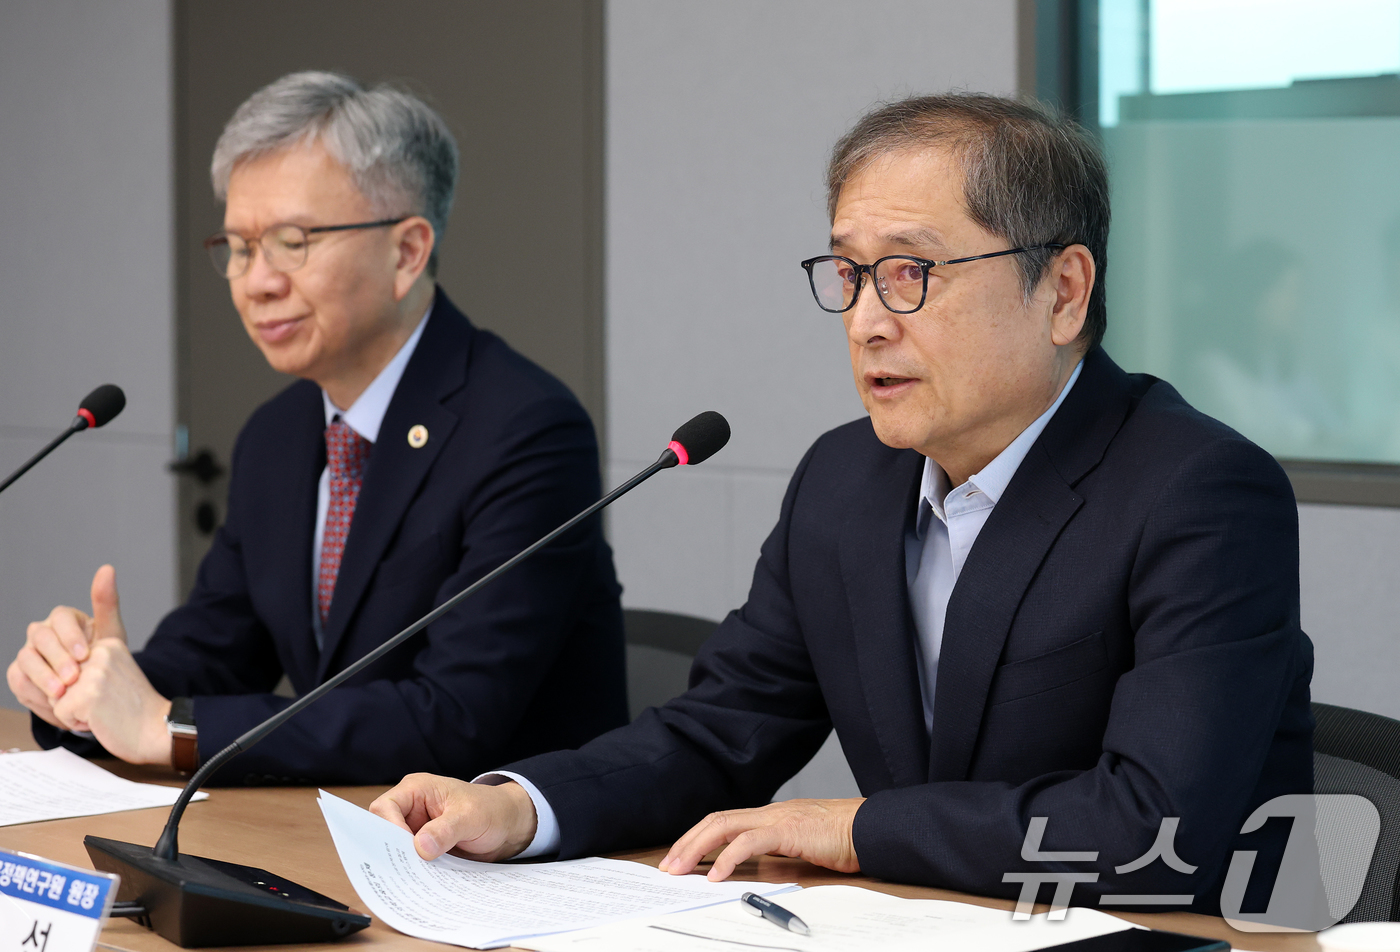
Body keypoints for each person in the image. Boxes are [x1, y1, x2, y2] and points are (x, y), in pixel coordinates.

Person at [369, 94, 1313, 911]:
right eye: (851, 274)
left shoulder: (1198, 493)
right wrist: (519, 807)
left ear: (1063, 292)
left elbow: (1157, 827)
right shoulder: (845, 480)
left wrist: (857, 829)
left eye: (911, 273)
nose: (865, 321)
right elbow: (717, 733)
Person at [5, 72, 628, 784]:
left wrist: (166, 728)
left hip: (500, 841)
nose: (256, 281)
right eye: (239, 247)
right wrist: (87, 688)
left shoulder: (525, 430)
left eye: (291, 241)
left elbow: (453, 716)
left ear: (406, 253)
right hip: (335, 826)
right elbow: (215, 653)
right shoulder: (277, 434)